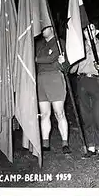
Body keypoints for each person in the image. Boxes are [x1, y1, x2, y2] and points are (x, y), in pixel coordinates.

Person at [69, 23, 99, 161]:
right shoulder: (79, 48)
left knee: (97, 116)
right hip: (82, 82)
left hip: (98, 83)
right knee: (86, 117)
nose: (88, 31)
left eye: (92, 28)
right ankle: (91, 147)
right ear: (83, 33)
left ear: (96, 32)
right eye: (85, 29)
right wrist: (72, 61)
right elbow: (71, 70)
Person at [35, 26, 71, 154]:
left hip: (55, 78)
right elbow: (46, 60)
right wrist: (46, 60)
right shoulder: (39, 44)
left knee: (59, 112)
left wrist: (39, 60)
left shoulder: (59, 43)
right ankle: (45, 143)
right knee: (44, 114)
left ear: (51, 28)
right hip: (41, 80)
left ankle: (65, 143)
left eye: (45, 27)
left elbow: (51, 59)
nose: (42, 30)